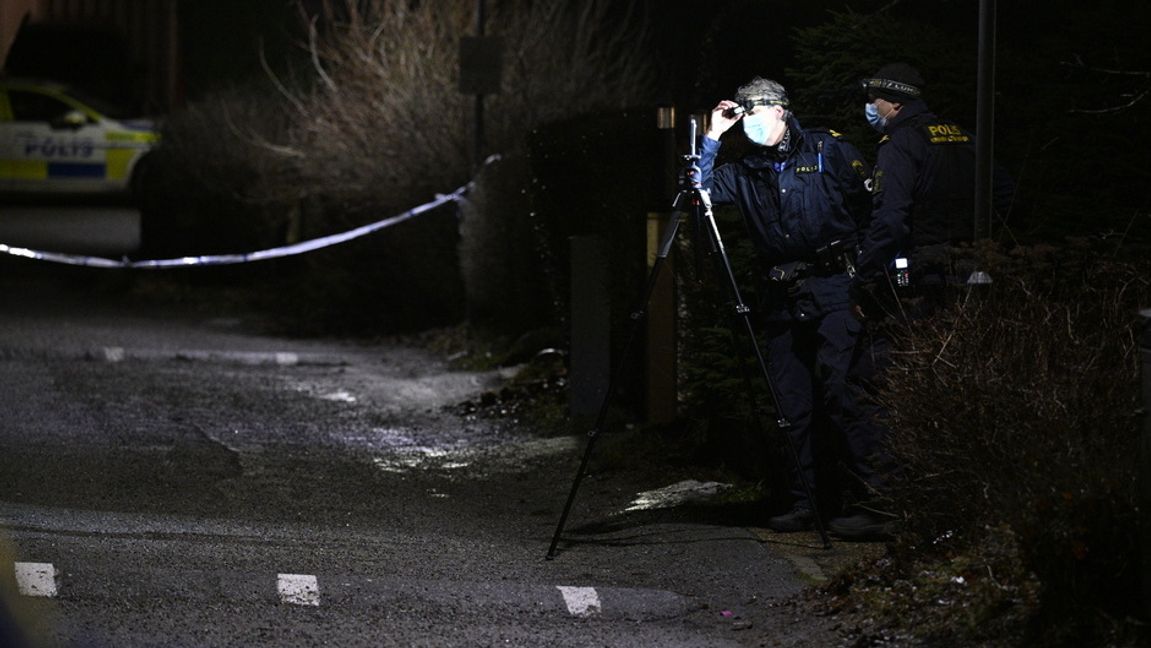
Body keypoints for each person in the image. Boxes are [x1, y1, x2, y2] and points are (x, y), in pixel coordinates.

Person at [834, 63, 1016, 539]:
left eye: (873, 100)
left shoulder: (900, 145)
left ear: (893, 101)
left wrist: (865, 281)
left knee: (871, 383)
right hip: (970, 275)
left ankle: (886, 504)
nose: (869, 108)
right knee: (955, 382)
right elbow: (1004, 192)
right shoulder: (964, 136)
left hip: (917, 281)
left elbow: (889, 220)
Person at [700, 77, 884, 534]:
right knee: (791, 403)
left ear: (781, 109)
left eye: (755, 111)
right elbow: (695, 193)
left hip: (835, 285)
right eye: (743, 114)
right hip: (783, 294)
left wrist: (867, 279)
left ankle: (877, 503)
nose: (749, 122)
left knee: (844, 392)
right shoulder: (744, 170)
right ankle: (807, 503)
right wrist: (712, 136)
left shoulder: (827, 150)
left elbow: (872, 209)